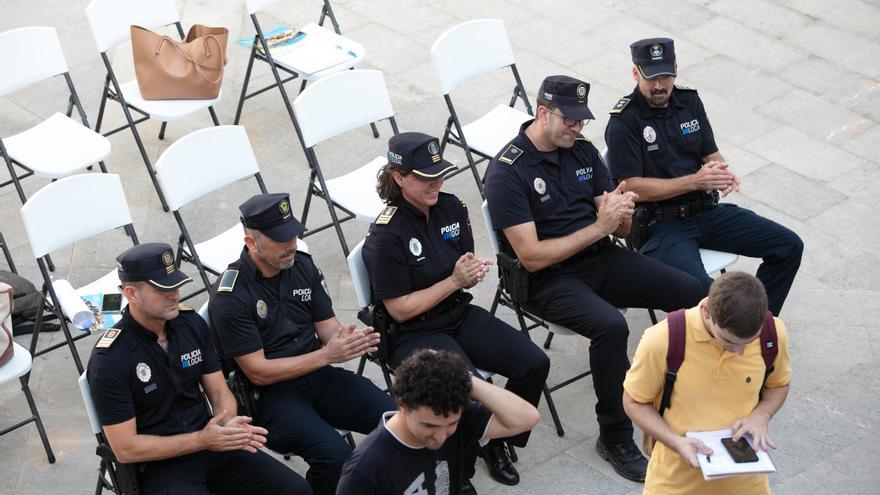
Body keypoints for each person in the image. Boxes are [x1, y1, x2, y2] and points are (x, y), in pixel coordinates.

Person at [483, 75, 706, 482]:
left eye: (581, 121)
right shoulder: (507, 173)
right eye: (569, 120)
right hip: (548, 280)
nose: (576, 128)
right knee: (610, 326)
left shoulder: (582, 152)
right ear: (543, 112)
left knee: (692, 291)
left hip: (599, 257)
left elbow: (617, 228)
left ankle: (680, 391)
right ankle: (615, 434)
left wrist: (623, 216)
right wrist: (602, 227)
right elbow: (531, 257)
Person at [361, 132, 551, 490]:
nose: (437, 183)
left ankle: (494, 440)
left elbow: (461, 265)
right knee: (459, 392)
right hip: (415, 332)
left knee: (533, 362)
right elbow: (400, 310)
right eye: (426, 177)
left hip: (458, 315)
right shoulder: (386, 235)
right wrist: (454, 281)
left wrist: (470, 274)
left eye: (439, 174)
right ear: (400, 178)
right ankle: (457, 472)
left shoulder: (452, 207)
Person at [87, 242, 310, 495]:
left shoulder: (190, 324)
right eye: (163, 289)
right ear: (131, 293)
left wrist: (226, 423)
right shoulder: (110, 359)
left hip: (212, 444)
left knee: (296, 490)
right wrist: (202, 439)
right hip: (161, 466)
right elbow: (125, 449)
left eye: (176, 286)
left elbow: (218, 391)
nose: (175, 295)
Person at [209, 193, 396, 495]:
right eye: (281, 241)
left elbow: (328, 328)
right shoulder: (230, 296)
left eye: (293, 236)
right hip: (271, 397)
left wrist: (348, 339)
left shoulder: (301, 266)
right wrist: (327, 354)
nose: (291, 246)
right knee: (334, 455)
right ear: (251, 244)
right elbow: (258, 372)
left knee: (395, 420)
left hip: (319, 377)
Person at [604, 37, 803, 316]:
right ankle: (736, 330)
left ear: (675, 68)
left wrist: (721, 171)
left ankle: (756, 324)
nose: (659, 85)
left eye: (665, 76)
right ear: (635, 73)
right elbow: (630, 187)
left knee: (788, 245)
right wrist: (696, 181)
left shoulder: (689, 101)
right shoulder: (624, 120)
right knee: (701, 292)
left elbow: (709, 152)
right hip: (661, 225)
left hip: (705, 211)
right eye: (651, 78)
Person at [623, 271, 791, 494]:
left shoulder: (774, 332)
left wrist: (761, 415)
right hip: (674, 482)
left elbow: (778, 384)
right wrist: (676, 442)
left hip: (746, 482)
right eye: (730, 342)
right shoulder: (661, 340)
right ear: (707, 312)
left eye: (749, 342)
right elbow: (634, 402)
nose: (740, 352)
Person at [337, 349, 540, 495]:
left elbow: (527, 418)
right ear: (403, 405)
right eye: (429, 426)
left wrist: (464, 378)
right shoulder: (366, 467)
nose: (441, 437)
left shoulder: (454, 417)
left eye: (452, 424)